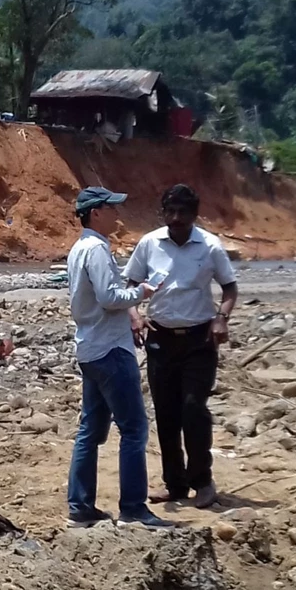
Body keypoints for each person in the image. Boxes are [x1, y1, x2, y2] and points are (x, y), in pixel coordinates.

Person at [124, 184, 239, 510]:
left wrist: (222, 319)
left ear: (194, 214)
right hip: (160, 339)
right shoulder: (149, 243)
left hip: (199, 340)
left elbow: (230, 288)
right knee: (167, 414)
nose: (176, 218)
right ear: (164, 213)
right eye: (170, 212)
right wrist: (134, 315)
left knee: (193, 409)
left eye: (183, 213)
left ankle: (202, 480)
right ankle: (175, 484)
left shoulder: (210, 246)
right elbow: (130, 283)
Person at [64, 186, 168, 528]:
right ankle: (133, 508)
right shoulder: (96, 248)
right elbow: (110, 297)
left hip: (90, 348)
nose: (117, 215)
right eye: (111, 209)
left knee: (90, 429)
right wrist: (142, 292)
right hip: (110, 348)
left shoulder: (79, 248)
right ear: (96, 213)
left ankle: (80, 507)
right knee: (134, 428)